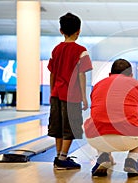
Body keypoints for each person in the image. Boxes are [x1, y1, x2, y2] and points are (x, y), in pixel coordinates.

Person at [84, 58, 138, 177]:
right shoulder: (137, 85)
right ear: (131, 75)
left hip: (97, 139)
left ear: (110, 74)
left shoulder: (98, 84)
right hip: (130, 137)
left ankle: (103, 155)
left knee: (94, 118)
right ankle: (132, 159)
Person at [47, 12, 92, 170]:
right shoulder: (81, 50)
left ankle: (59, 157)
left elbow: (52, 73)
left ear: (61, 31)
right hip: (71, 96)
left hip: (56, 94)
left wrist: (53, 91)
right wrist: (84, 97)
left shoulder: (56, 49)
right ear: (78, 31)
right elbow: (81, 74)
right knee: (71, 127)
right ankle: (63, 158)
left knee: (58, 127)